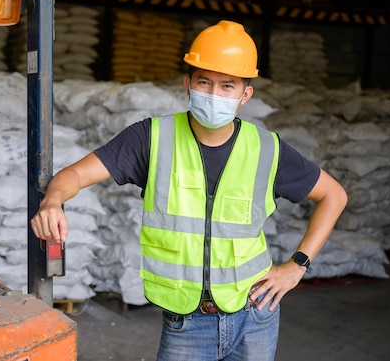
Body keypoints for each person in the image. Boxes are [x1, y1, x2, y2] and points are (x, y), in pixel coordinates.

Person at [30, 20, 348, 361]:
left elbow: (334, 195)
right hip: (187, 324)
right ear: (188, 84)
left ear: (245, 95)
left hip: (255, 314)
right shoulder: (151, 138)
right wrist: (53, 201)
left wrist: (297, 265)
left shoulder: (267, 149)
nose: (213, 94)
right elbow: (74, 175)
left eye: (227, 86)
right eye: (204, 82)